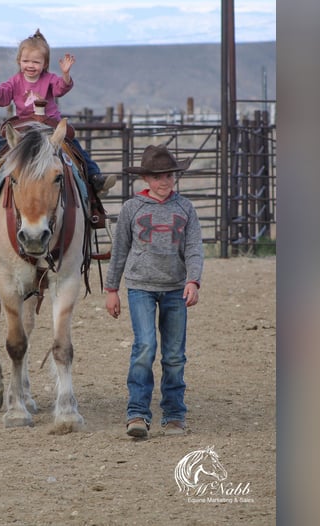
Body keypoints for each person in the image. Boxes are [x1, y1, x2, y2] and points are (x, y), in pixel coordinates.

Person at [104, 144, 204, 439]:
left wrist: (193, 280)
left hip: (175, 288)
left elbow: (194, 248)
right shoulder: (131, 209)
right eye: (158, 176)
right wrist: (112, 289)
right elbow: (120, 250)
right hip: (140, 288)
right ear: (146, 179)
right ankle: (137, 413)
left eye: (169, 175)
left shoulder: (185, 208)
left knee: (174, 354)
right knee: (145, 347)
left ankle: (174, 415)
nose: (165, 181)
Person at [0, 29, 116, 194]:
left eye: (35, 62)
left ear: (45, 64)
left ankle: (95, 177)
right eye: (26, 61)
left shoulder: (49, 79)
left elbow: (60, 89)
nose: (30, 65)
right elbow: (3, 97)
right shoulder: (15, 81)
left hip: (50, 124)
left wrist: (65, 74)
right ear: (19, 61)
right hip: (24, 124)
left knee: (75, 147)